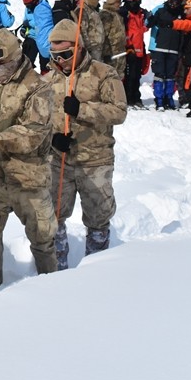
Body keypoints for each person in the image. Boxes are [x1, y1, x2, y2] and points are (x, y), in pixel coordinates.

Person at [0, 28, 57, 296]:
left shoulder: (38, 88)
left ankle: (52, 286)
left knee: (42, 237)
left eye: (1, 60)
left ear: (16, 56)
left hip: (27, 178)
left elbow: (31, 134)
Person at [43, 20, 127, 265]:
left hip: (95, 161)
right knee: (53, 217)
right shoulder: (48, 81)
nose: (60, 60)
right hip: (60, 162)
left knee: (98, 218)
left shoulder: (104, 73)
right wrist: (52, 139)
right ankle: (55, 272)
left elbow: (119, 112)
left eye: (66, 54)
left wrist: (82, 110)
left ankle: (96, 272)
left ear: (79, 47)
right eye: (54, 55)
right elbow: (37, 120)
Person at [147, 0, 186, 111]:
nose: (173, 4)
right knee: (159, 74)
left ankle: (169, 98)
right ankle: (159, 100)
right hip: (159, 47)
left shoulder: (181, 14)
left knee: (170, 75)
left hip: (174, 49)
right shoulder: (160, 9)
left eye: (176, 2)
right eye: (171, 0)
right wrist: (150, 18)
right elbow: (148, 23)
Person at [121, 0, 148, 108]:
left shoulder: (141, 14)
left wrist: (149, 20)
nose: (137, 5)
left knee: (136, 75)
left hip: (139, 48)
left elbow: (142, 29)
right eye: (134, 2)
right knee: (128, 76)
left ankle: (135, 97)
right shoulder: (124, 13)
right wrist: (127, 45)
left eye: (138, 2)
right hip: (128, 49)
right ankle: (126, 97)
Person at [18, 0, 54, 72]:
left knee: (45, 60)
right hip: (32, 36)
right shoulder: (28, 9)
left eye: (28, 5)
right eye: (26, 5)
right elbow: (26, 20)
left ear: (34, 1)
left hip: (43, 38)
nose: (27, 8)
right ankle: (26, 74)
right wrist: (24, 28)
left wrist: (30, 24)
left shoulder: (43, 8)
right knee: (27, 58)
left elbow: (43, 24)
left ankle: (45, 75)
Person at [101, 0, 127, 76]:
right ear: (112, 2)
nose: (120, 4)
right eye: (118, 2)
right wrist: (105, 53)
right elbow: (103, 35)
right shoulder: (106, 15)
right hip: (110, 55)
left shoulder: (117, 15)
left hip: (118, 54)